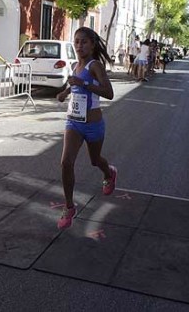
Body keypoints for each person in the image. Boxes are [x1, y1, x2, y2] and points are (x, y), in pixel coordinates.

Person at [55, 27, 117, 230]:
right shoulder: (75, 66)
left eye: (84, 42)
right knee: (66, 163)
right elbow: (75, 85)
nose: (79, 46)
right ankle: (69, 207)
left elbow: (109, 93)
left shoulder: (95, 66)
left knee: (95, 160)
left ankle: (109, 173)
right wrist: (65, 92)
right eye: (76, 42)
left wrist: (85, 84)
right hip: (74, 122)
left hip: (93, 124)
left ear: (92, 44)